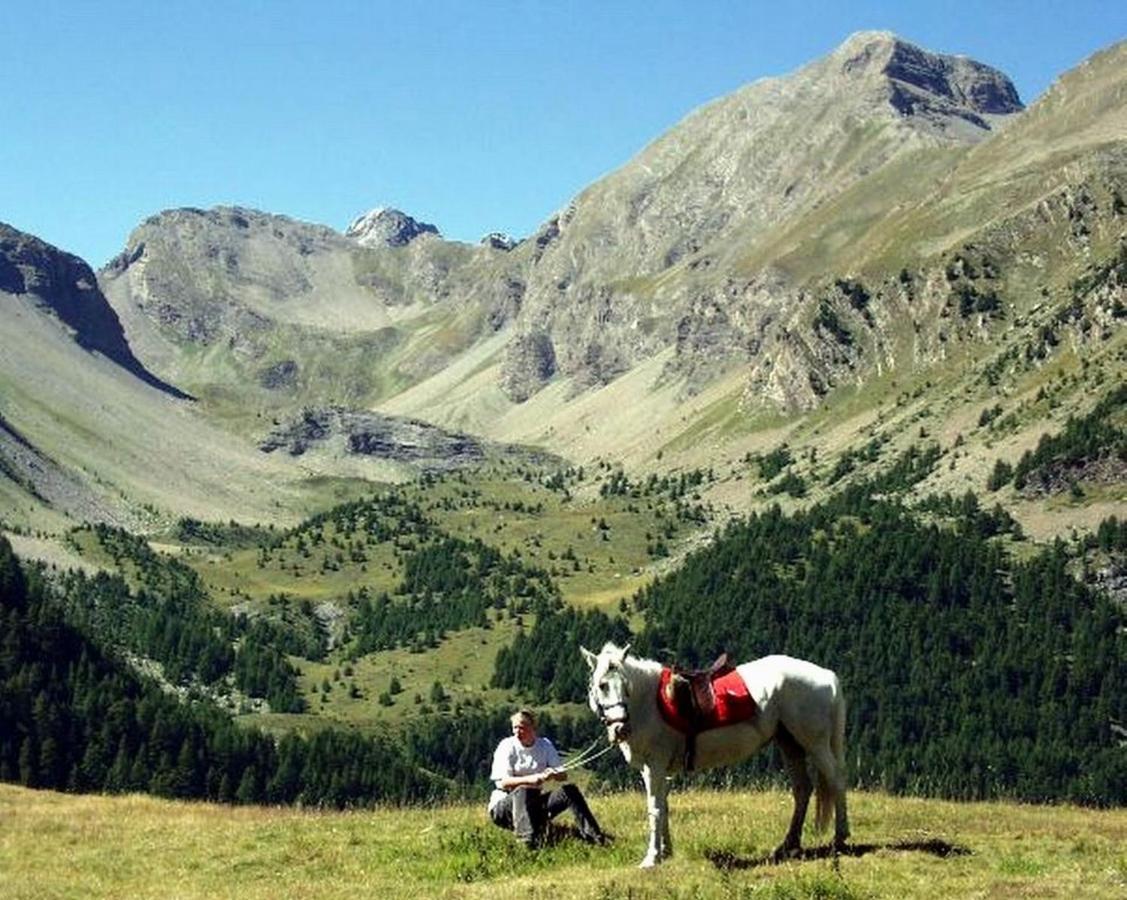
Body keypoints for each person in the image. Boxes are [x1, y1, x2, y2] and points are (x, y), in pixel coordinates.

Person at [488, 708, 607, 848]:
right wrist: (531, 779)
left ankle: (595, 838)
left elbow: (563, 775)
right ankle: (527, 844)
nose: (517, 732)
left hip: (534, 803)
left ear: (533, 727)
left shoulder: (544, 745)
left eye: (521, 727)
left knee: (570, 791)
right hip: (503, 806)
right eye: (514, 728)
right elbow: (503, 782)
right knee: (523, 790)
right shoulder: (507, 745)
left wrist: (553, 773)